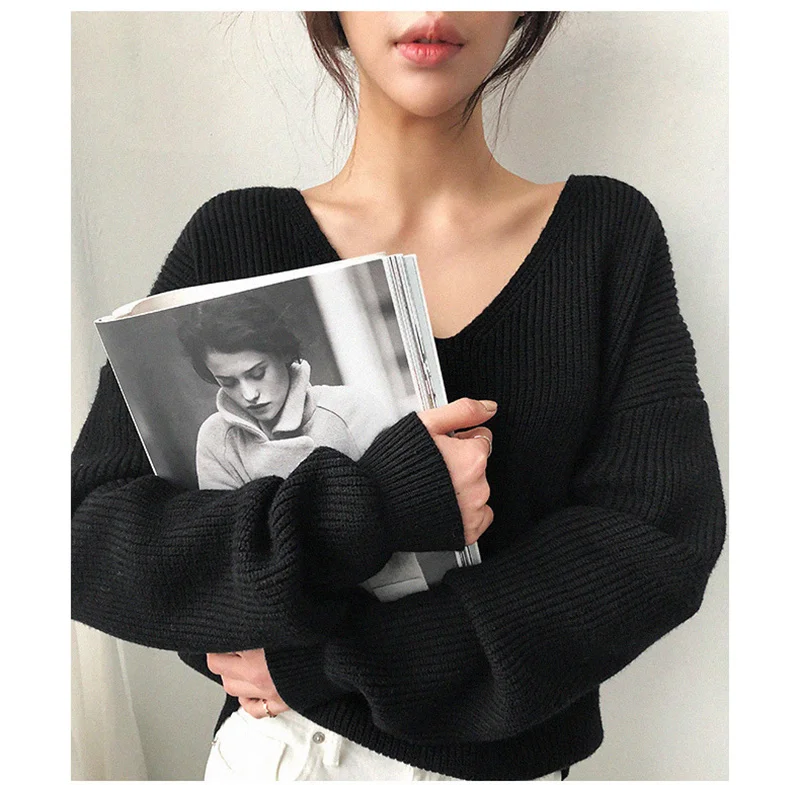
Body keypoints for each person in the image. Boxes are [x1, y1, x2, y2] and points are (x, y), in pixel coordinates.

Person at [71, 10, 726, 782]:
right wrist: (371, 503)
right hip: (285, 753)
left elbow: (658, 541)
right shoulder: (236, 236)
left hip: (491, 765)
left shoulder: (605, 236)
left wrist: (333, 664)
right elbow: (87, 539)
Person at [174, 293, 396, 488]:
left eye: (258, 373)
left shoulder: (353, 410)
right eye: (228, 382)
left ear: (283, 353)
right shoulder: (217, 439)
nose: (249, 395)